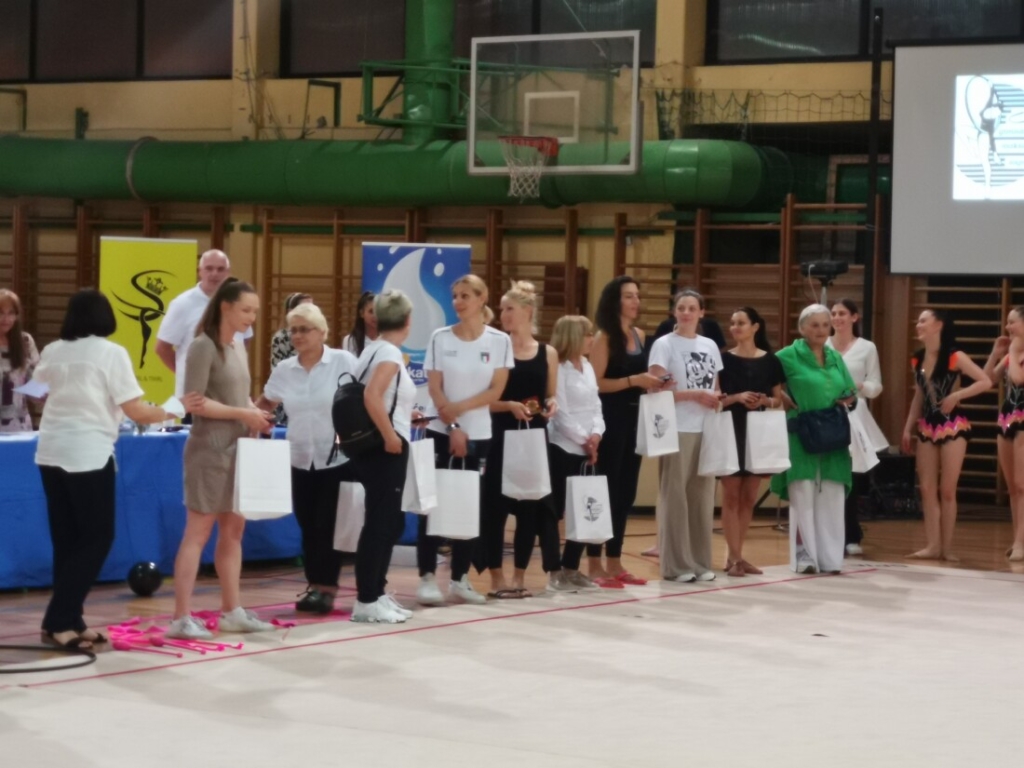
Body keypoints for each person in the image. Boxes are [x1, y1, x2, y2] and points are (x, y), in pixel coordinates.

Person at [34, 290, 174, 649]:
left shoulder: (52, 350)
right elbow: (137, 411)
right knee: (97, 537)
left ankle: (70, 619)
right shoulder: (111, 353)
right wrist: (173, 409)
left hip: (50, 452)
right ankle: (59, 618)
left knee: (67, 540)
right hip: (88, 454)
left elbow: (37, 391)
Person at [167, 279, 277, 640]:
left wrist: (254, 413)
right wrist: (242, 414)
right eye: (246, 310)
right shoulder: (203, 346)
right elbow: (195, 402)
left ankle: (232, 610)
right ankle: (180, 617)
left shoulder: (237, 346)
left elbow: (238, 395)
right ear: (225, 307)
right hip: (209, 452)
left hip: (238, 449)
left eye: (255, 311)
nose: (252, 318)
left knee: (234, 531)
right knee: (198, 532)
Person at [257, 302, 357, 615]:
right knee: (308, 525)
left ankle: (327, 587)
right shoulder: (285, 369)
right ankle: (314, 584)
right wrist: (249, 418)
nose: (298, 336)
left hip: (337, 457)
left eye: (304, 329)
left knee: (327, 525)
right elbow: (266, 402)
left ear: (322, 332)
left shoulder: (343, 361)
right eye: (294, 330)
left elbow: (367, 396)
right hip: (299, 456)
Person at [419, 275, 512, 606]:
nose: (458, 302)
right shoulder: (440, 338)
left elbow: (495, 390)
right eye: (455, 296)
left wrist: (460, 411)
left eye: (465, 296)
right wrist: (453, 424)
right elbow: (434, 388)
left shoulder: (499, 341)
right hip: (441, 431)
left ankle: (460, 578)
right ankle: (427, 577)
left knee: (470, 505)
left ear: (482, 298)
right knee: (433, 504)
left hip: (480, 435)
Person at [482, 281, 561, 598]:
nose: (503, 314)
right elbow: (484, 400)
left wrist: (552, 403)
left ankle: (519, 576)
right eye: (501, 309)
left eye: (509, 308)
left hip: (533, 437)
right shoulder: (495, 350)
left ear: (527, 311)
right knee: (495, 509)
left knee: (530, 508)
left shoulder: (548, 353)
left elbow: (550, 393)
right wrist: (509, 406)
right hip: (501, 435)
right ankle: (496, 577)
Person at [588, 276, 665, 588]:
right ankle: (594, 562)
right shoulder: (604, 337)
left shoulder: (639, 334)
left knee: (625, 494)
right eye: (629, 296)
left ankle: (615, 560)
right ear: (614, 300)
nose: (636, 301)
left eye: (637, 295)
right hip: (610, 420)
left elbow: (641, 378)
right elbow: (595, 384)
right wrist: (634, 381)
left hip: (636, 420)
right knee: (604, 491)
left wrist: (656, 383)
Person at [770, 304, 857, 574]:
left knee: (832, 493)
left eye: (825, 325)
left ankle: (831, 559)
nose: (821, 330)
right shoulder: (787, 356)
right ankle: (804, 557)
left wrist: (848, 399)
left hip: (833, 432)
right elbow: (767, 382)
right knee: (803, 492)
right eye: (815, 325)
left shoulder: (835, 357)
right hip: (801, 431)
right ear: (802, 328)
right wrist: (783, 398)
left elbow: (850, 390)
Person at [349, 290, 418, 622]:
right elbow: (371, 396)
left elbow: (381, 397)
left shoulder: (373, 348)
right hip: (385, 447)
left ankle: (375, 593)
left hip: (376, 445)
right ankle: (366, 599)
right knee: (381, 522)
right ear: (408, 320)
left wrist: (407, 415)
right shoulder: (389, 352)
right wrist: (391, 436)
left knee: (388, 522)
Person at [901, 309, 991, 562]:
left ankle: (947, 548)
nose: (918, 324)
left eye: (923, 320)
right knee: (927, 488)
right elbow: (919, 396)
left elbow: (985, 381)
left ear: (938, 324)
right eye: (918, 320)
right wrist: (907, 427)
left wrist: (957, 395)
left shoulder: (955, 356)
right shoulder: (917, 359)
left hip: (953, 426)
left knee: (947, 490)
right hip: (927, 426)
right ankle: (932, 545)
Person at [649, 289, 723, 583]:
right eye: (681, 307)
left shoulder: (710, 345)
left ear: (701, 312)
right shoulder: (664, 345)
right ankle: (676, 565)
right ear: (674, 312)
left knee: (702, 498)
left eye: (692, 308)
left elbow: (715, 386)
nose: (686, 313)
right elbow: (655, 389)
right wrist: (693, 394)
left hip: (706, 427)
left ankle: (701, 562)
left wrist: (715, 398)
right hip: (677, 427)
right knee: (675, 498)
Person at [717, 306, 785, 577]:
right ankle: (734, 557)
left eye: (741, 322)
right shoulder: (723, 359)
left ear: (755, 326)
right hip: (730, 429)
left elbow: (778, 400)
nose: (735, 327)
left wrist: (763, 400)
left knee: (748, 498)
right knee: (731, 496)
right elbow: (716, 398)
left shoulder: (770, 360)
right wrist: (737, 397)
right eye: (732, 322)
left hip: (758, 431)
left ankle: (737, 555)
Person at [549, 315, 604, 592]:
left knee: (584, 508)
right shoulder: (558, 368)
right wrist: (584, 440)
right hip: (563, 447)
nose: (592, 339)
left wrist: (597, 434)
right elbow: (560, 412)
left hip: (588, 448)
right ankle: (554, 570)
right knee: (556, 512)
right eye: (587, 334)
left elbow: (596, 405)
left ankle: (571, 566)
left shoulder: (588, 366)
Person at [827, 298, 884, 556]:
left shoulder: (866, 347)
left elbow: (876, 385)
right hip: (826, 415)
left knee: (850, 477)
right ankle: (830, 534)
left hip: (854, 416)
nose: (837, 318)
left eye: (842, 313)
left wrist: (860, 386)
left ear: (854, 317)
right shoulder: (823, 346)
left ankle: (851, 534)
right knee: (830, 476)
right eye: (833, 313)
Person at [155, 249, 251, 401]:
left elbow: (245, 340)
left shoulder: (240, 302)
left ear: (228, 273)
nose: (214, 274)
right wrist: (188, 373)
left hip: (231, 393)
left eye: (220, 269)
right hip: (195, 396)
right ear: (200, 272)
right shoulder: (182, 304)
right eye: (209, 268)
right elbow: (162, 348)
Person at [984, 307, 1024, 561]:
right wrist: (995, 354)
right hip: (1007, 419)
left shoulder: (1016, 354)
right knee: (1013, 487)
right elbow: (987, 380)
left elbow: (1019, 380)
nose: (1007, 328)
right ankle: (1018, 538)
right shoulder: (1011, 354)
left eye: (1012, 322)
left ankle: (1021, 542)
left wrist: (1014, 351)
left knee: (1022, 484)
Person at [268, 292, 313, 426]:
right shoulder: (281, 337)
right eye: (305, 309)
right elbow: (277, 371)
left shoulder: (315, 335)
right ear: (290, 312)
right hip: (289, 399)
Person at [0, 288, 40, 433]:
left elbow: (36, 380)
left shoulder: (25, 342)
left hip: (19, 425)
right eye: (1, 313)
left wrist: (43, 393)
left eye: (11, 313)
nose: (6, 319)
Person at [342, 291, 378, 356]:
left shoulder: (387, 339)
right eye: (371, 311)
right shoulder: (351, 340)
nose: (375, 316)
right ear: (361, 313)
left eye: (378, 311)